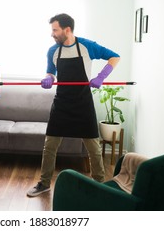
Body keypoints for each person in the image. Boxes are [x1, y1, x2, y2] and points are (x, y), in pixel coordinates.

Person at [27, 13, 120, 197]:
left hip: (83, 102)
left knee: (93, 147)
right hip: (61, 102)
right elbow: (50, 73)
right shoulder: (53, 51)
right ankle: (44, 183)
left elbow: (114, 57)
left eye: (55, 30)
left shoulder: (87, 46)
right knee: (50, 145)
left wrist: (101, 77)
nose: (52, 34)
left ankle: (99, 184)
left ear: (66, 29)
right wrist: (47, 78)